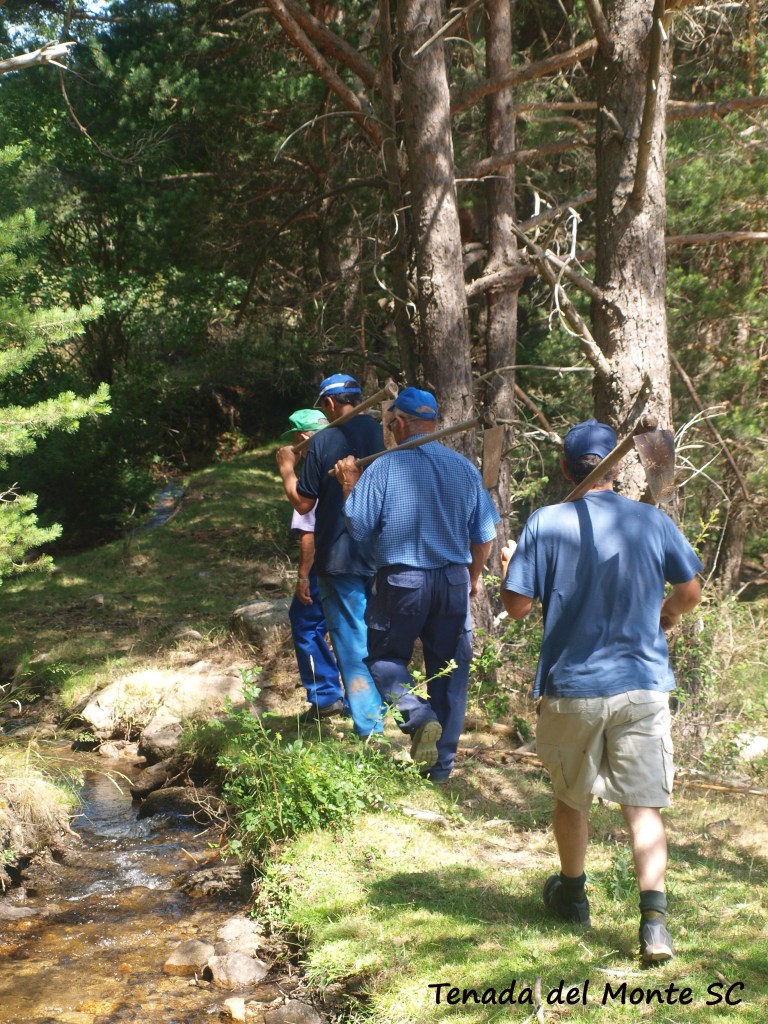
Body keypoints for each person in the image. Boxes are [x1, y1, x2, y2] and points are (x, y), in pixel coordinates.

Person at [500, 418, 703, 963]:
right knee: (643, 806)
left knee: (571, 797)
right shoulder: (651, 522)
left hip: (574, 688)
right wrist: (668, 614)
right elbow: (690, 589)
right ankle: (654, 924)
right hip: (642, 685)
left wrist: (509, 565)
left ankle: (573, 896)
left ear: (565, 468)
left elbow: (516, 606)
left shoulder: (546, 522)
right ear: (618, 470)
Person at [334, 386, 500, 781]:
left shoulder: (385, 467)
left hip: (403, 580)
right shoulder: (463, 468)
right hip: (454, 579)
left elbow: (357, 528)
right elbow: (485, 534)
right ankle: (440, 769)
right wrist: (473, 578)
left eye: (391, 423)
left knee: (383, 658)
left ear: (400, 423)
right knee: (450, 670)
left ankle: (418, 715)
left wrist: (348, 485)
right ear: (434, 422)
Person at [276, 374, 386, 738]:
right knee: (372, 635)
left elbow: (303, 502)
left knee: (351, 640)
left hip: (340, 554)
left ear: (327, 405)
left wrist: (287, 469)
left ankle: (370, 726)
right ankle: (385, 711)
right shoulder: (377, 432)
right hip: (379, 549)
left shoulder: (325, 440)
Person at [280, 409, 344, 719]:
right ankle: (363, 699)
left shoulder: (312, 469)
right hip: (356, 560)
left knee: (305, 622)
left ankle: (325, 696)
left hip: (324, 564)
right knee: (349, 626)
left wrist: (303, 575)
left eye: (294, 438)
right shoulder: (345, 457)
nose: (292, 446)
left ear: (304, 438)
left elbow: (308, 530)